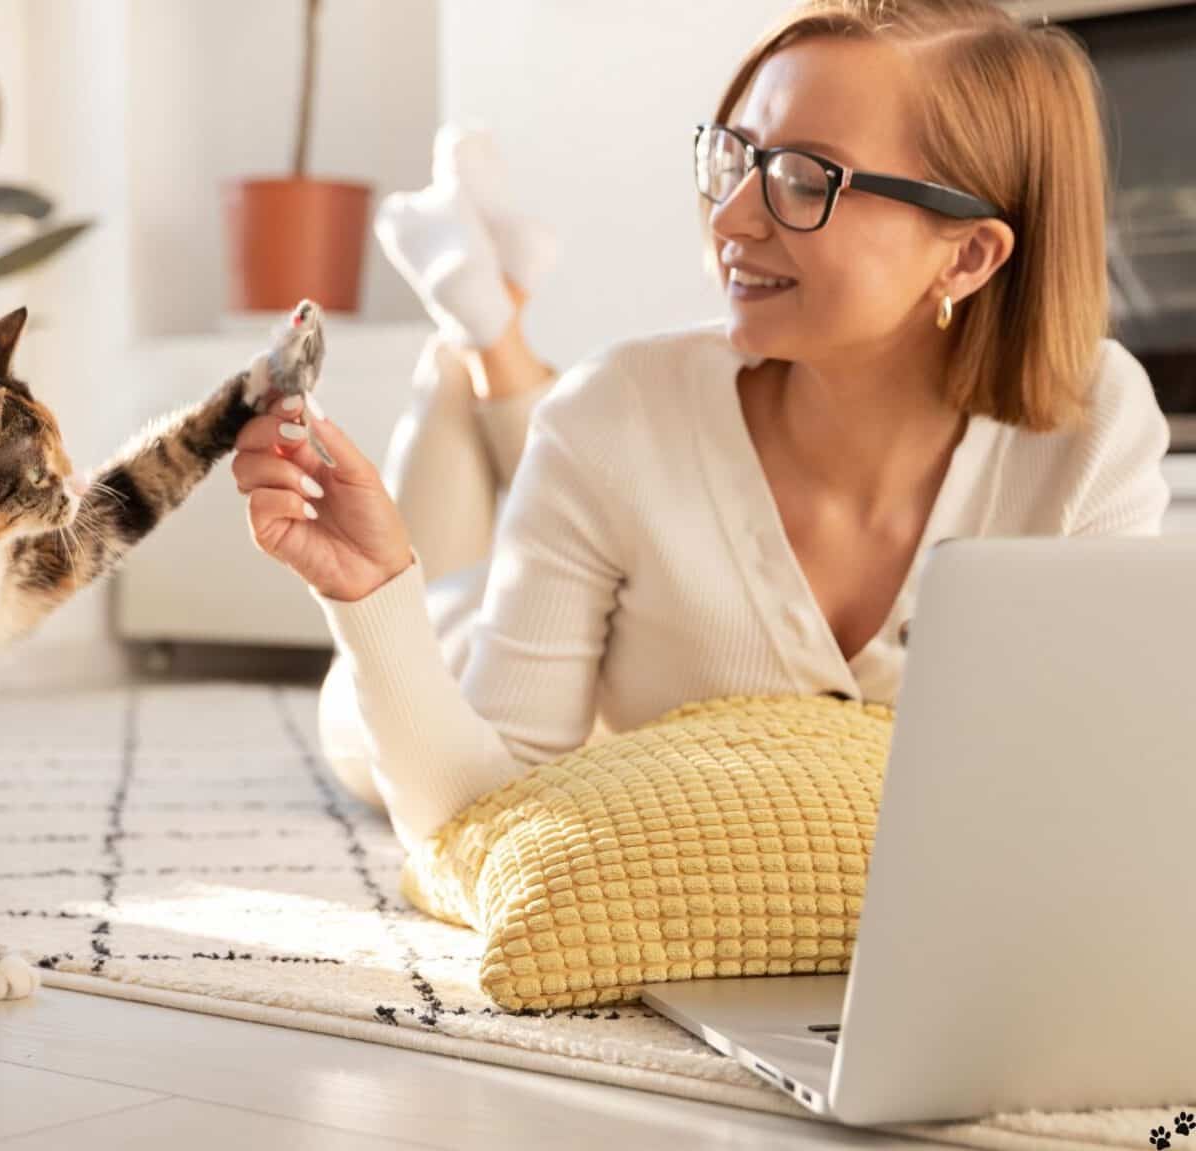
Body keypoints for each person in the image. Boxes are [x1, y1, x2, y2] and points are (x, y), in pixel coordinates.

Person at [232, 0, 1171, 850]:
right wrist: (370, 594)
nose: (729, 217)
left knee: (585, 437)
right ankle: (470, 347)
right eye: (735, 156)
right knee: (372, 704)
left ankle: (487, 327)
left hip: (599, 484)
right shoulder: (614, 409)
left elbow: (1093, 790)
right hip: (467, 639)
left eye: (806, 180)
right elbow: (482, 814)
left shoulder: (1090, 426)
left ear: (967, 254)